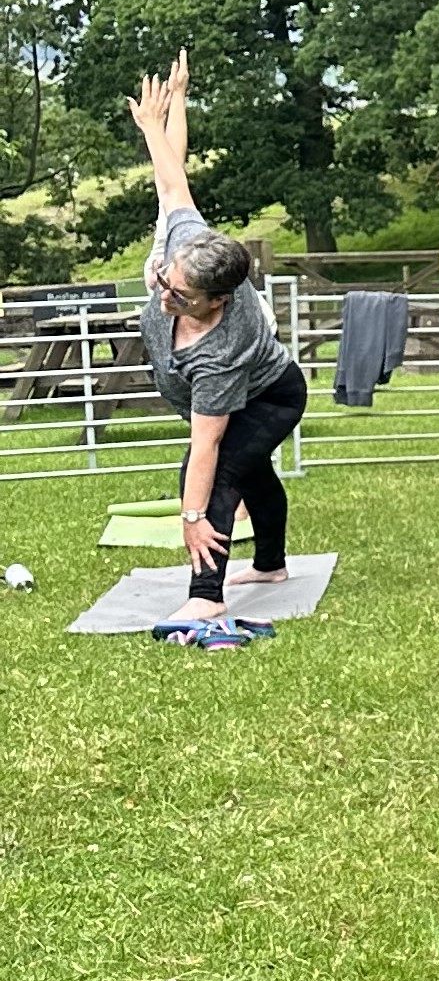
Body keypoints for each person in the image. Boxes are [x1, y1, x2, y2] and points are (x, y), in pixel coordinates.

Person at [125, 52, 311, 621]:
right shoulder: (192, 244)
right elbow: (171, 179)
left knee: (217, 473)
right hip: (247, 387)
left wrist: (190, 517)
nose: (164, 296)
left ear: (217, 301)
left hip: (271, 395)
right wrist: (159, 119)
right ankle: (272, 564)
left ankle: (205, 596)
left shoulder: (222, 350)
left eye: (179, 296)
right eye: (165, 280)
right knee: (255, 470)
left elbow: (206, 447)